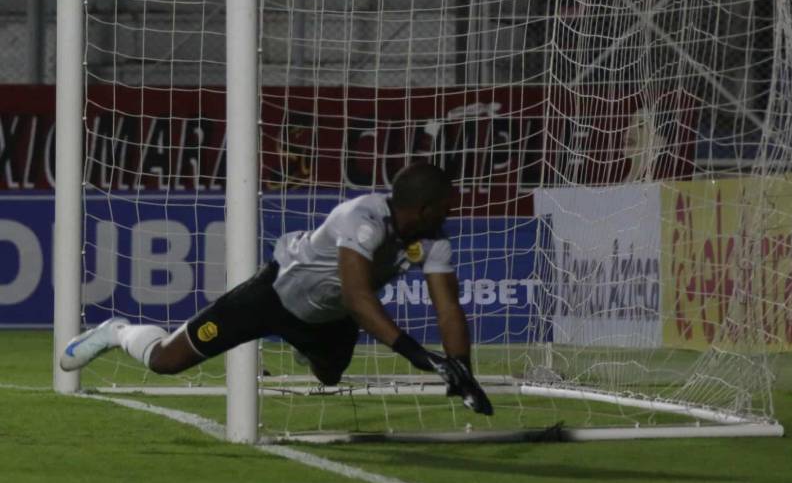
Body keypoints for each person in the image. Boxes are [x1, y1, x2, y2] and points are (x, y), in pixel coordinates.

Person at [60, 162, 493, 415]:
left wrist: (461, 368)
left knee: (329, 376)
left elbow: (448, 307)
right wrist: (420, 355)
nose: (450, 211)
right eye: (446, 204)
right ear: (423, 207)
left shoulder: (434, 239)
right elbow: (359, 297)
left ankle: (305, 347)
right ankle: (116, 332)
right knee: (165, 361)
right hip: (272, 299)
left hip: (329, 318)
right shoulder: (360, 217)